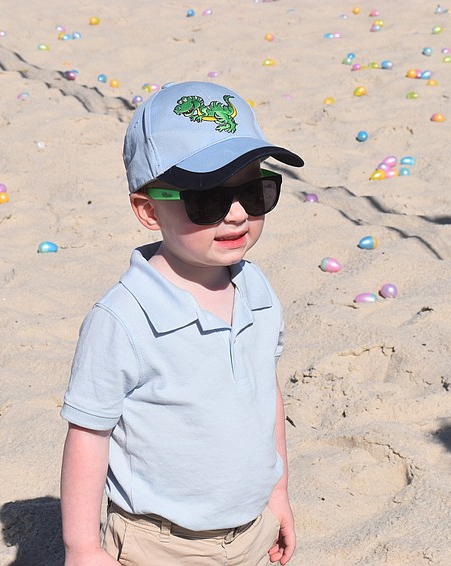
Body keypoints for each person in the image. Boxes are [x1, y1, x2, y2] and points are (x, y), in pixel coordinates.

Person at [60, 81, 304, 566]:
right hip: (162, 543)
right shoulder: (124, 318)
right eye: (207, 200)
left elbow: (264, 392)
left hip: (252, 526)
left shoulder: (256, 289)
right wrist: (82, 547)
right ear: (149, 210)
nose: (237, 215)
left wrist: (277, 491)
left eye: (254, 192)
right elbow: (89, 435)